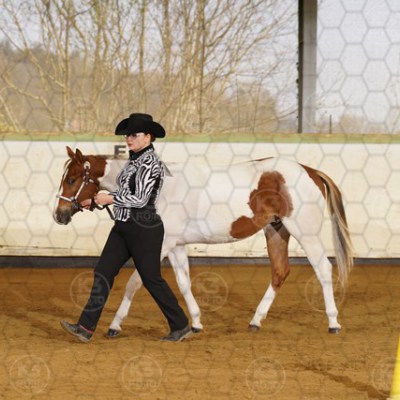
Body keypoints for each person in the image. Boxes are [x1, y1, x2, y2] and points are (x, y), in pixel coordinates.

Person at [60, 113, 192, 343]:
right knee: (103, 272)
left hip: (144, 228)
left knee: (151, 279)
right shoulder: (133, 161)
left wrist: (108, 198)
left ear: (148, 137)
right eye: (127, 135)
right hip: (123, 227)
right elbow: (124, 195)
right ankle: (85, 327)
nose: (128, 139)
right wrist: (96, 202)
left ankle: (180, 325)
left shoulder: (151, 164)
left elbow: (140, 199)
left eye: (134, 135)